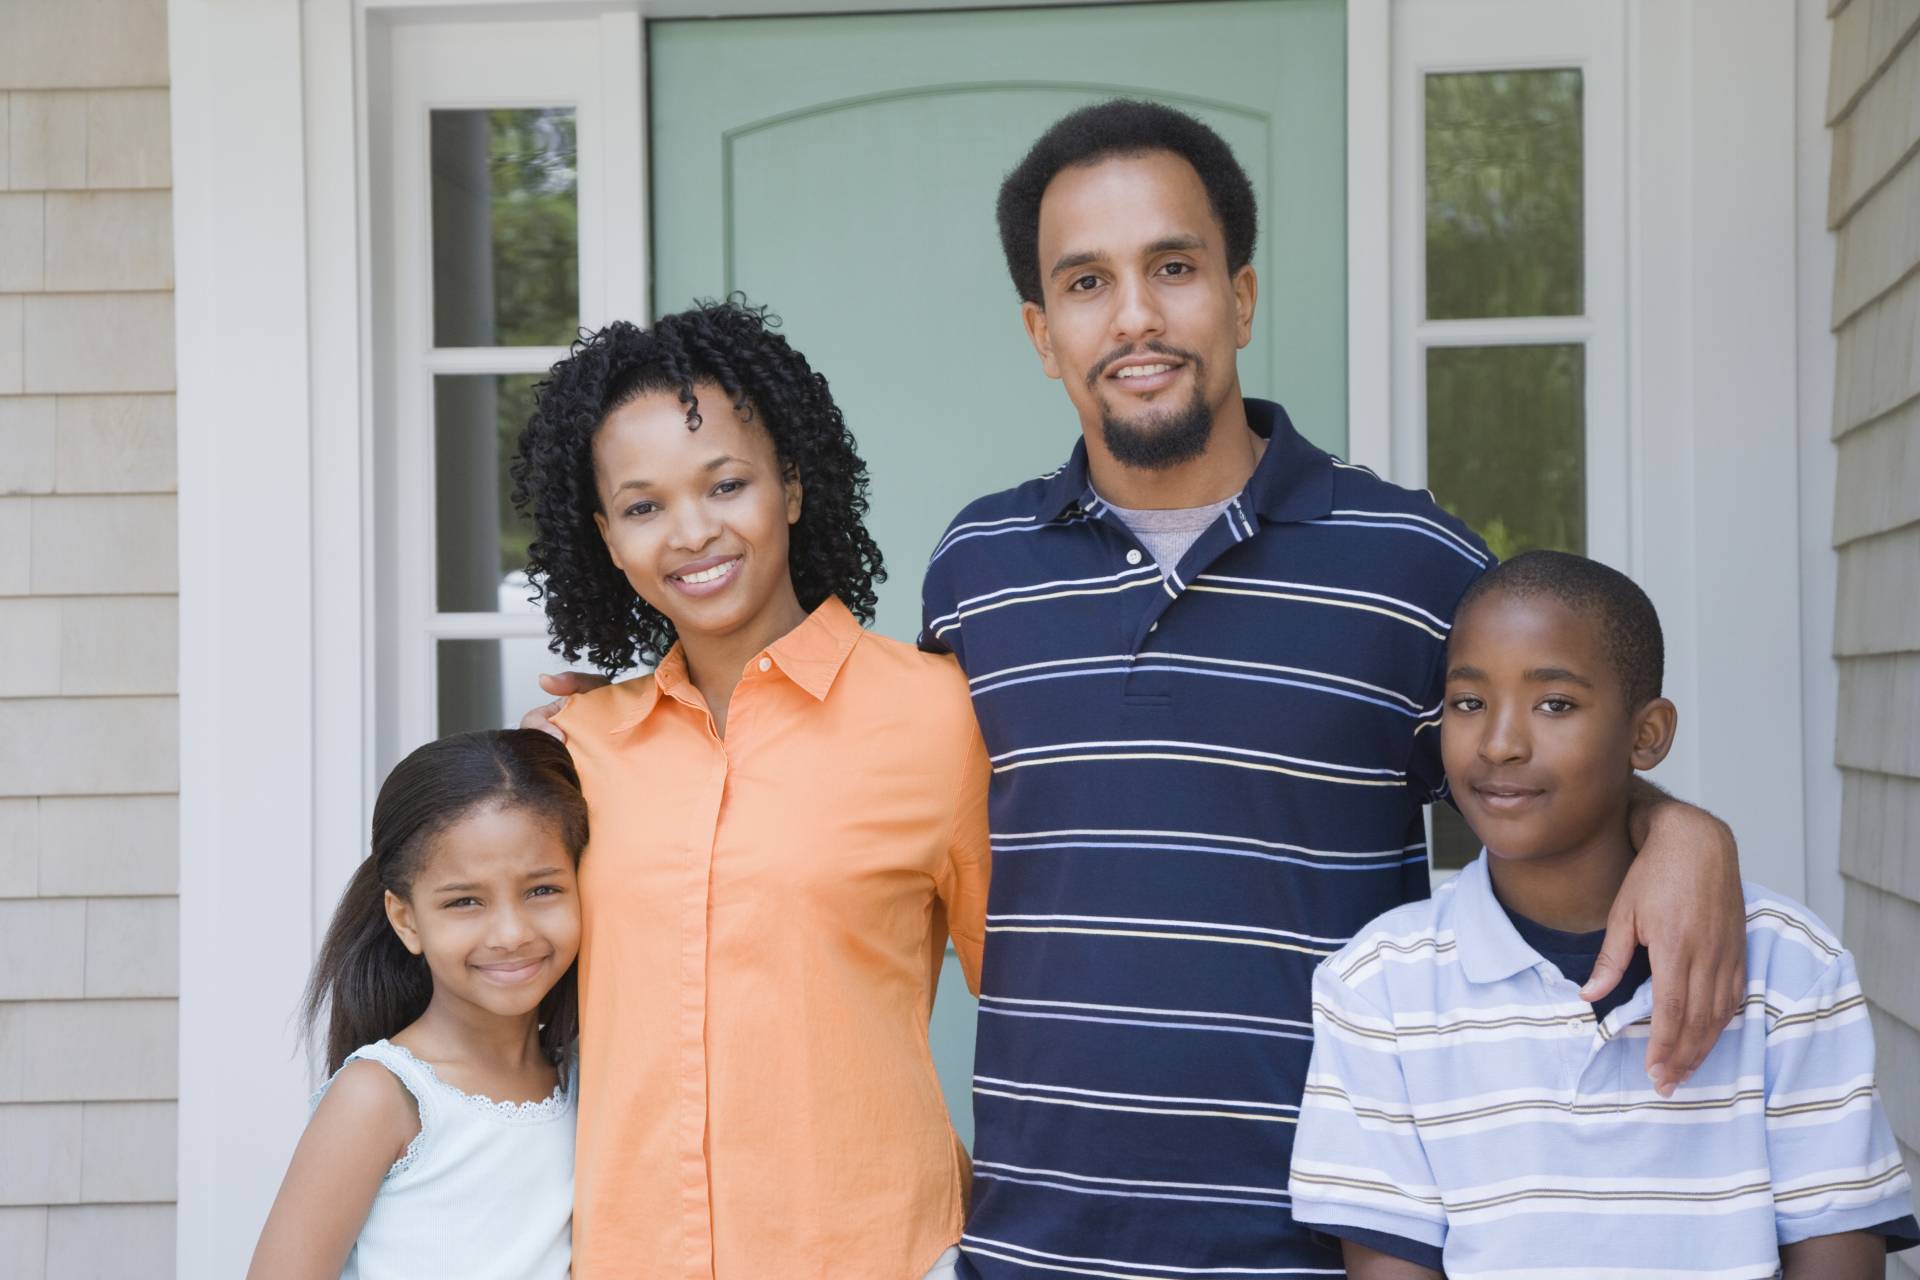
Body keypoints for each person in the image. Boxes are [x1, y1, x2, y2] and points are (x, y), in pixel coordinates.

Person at [913, 100, 1748, 1278]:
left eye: (1174, 266)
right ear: (1042, 331)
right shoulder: (976, 570)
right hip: (1034, 1249)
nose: (1137, 315)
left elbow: (1543, 784)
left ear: (1241, 296)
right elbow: (863, 794)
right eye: (1087, 282)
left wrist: (1682, 829)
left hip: (1340, 1244)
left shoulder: (1410, 564)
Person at [513, 298, 990, 1279]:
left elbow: (1040, 1022)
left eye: (725, 483)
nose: (691, 532)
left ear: (793, 487)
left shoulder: (942, 719)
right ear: (607, 536)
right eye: (644, 506)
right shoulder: (578, 752)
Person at [1286, 550, 1919, 1278]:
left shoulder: (1790, 964)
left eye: (1554, 704)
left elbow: (1837, 1258)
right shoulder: (1377, 988)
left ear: (1646, 735)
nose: (1500, 743)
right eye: (1469, 703)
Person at [248, 729, 588, 1280]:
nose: (511, 933)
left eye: (542, 890)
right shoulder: (382, 1095)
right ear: (406, 919)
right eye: (465, 901)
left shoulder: (582, 1081)